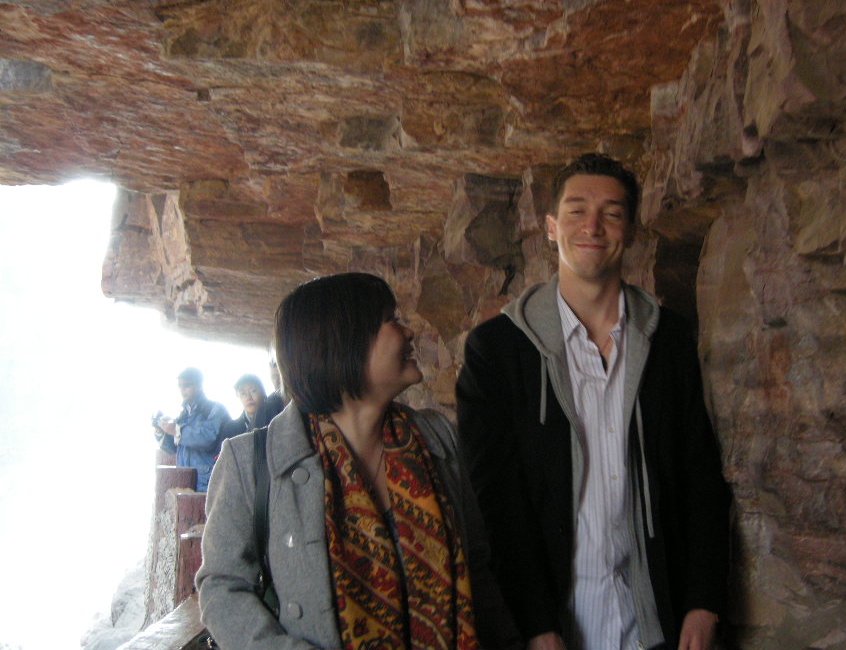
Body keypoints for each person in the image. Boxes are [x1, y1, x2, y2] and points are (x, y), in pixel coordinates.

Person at [456, 153, 731, 650]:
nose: (593, 227)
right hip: (559, 627)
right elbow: (498, 503)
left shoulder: (667, 340)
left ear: (630, 229)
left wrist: (703, 599)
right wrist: (537, 625)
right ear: (550, 225)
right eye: (577, 210)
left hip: (655, 619)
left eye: (612, 212)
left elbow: (700, 477)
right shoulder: (496, 351)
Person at [197, 273, 516, 650]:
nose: (408, 332)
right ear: (344, 343)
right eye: (391, 320)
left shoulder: (436, 439)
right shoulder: (250, 461)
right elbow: (222, 586)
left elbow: (477, 567)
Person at [155, 367, 230, 492]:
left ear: (199, 385)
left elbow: (208, 439)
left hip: (208, 482)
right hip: (185, 481)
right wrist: (162, 431)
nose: (182, 390)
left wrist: (176, 430)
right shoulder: (183, 415)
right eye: (180, 386)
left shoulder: (214, 409)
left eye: (187, 385)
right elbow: (172, 449)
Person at [219, 374, 268, 443]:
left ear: (263, 392)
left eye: (253, 391)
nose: (248, 397)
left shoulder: (275, 416)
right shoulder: (230, 429)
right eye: (243, 393)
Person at [253, 353, 284, 428]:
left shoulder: (300, 399)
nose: (276, 381)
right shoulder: (266, 406)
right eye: (273, 377)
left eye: (278, 376)